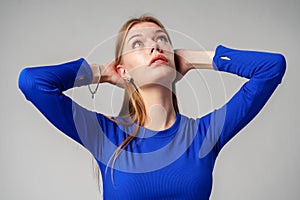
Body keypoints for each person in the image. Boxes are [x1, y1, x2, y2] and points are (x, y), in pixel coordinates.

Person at [18, 15, 286, 200]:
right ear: (123, 70)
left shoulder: (204, 135)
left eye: (162, 40)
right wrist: (99, 72)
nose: (155, 46)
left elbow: (271, 68)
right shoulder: (105, 135)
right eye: (138, 43)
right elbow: (33, 82)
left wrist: (196, 59)